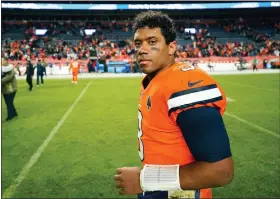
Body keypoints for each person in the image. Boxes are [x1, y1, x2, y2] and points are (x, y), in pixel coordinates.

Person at [114, 11, 234, 199]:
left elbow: (221, 171)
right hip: (158, 188)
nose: (142, 49)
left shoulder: (185, 83)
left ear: (171, 47)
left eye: (152, 42)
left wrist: (145, 179)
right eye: (138, 43)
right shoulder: (152, 80)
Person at [1, 57, 18, 121]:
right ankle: (14, 114)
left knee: (9, 103)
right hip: (5, 89)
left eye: (2, 61)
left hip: (11, 89)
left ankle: (10, 116)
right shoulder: (2, 69)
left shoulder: (10, 68)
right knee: (9, 102)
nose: (1, 62)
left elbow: (9, 77)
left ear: (6, 61)